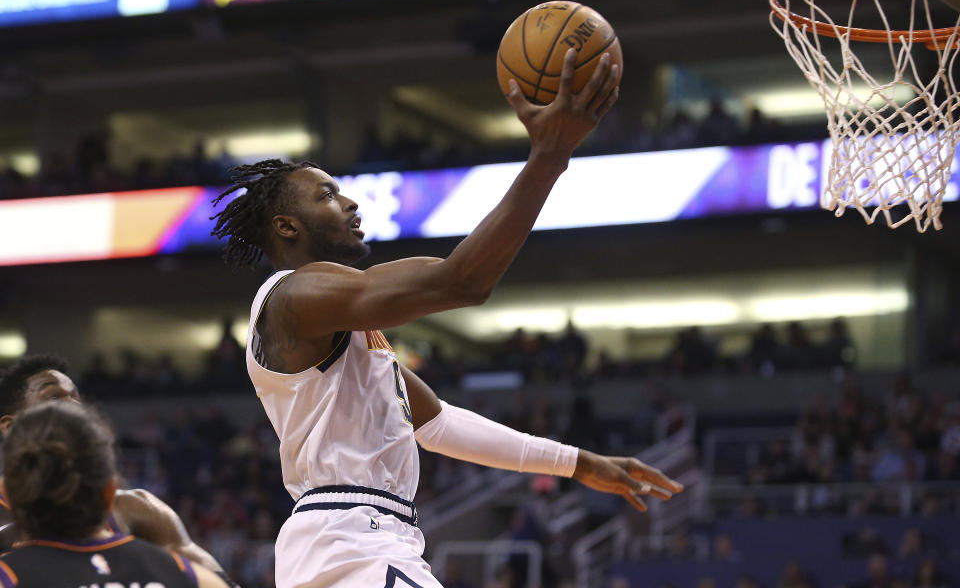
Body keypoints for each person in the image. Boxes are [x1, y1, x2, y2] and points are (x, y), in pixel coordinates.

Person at [211, 49, 684, 587]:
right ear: (287, 227)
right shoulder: (295, 297)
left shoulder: (340, 330)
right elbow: (462, 280)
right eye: (326, 195)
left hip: (353, 540)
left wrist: (576, 462)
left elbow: (436, 423)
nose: (349, 204)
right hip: (353, 541)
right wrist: (549, 157)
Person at [0, 354, 233, 583]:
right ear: (10, 427)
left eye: (77, 398)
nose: (74, 406)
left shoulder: (135, 508)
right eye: (54, 397)